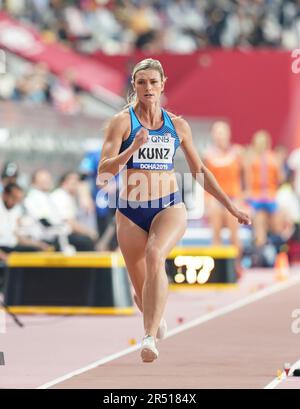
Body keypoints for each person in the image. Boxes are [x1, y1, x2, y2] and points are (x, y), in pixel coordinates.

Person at [97, 58, 251, 363]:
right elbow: (103, 171)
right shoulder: (122, 122)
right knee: (143, 294)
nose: (148, 88)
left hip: (168, 206)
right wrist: (132, 149)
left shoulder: (177, 125)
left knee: (156, 255)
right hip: (129, 211)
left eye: (154, 82)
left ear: (163, 84)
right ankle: (154, 319)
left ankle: (149, 338)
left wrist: (230, 206)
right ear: (134, 86)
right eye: (142, 83)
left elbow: (200, 171)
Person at [203, 121, 244, 275]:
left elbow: (243, 180)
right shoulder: (208, 155)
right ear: (213, 135)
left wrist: (241, 200)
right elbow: (202, 180)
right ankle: (217, 267)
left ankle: (236, 266)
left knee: (233, 225)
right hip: (215, 199)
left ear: (228, 134)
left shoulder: (237, 153)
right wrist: (206, 200)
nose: (219, 136)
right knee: (216, 224)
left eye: (222, 132)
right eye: (217, 132)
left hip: (233, 197)